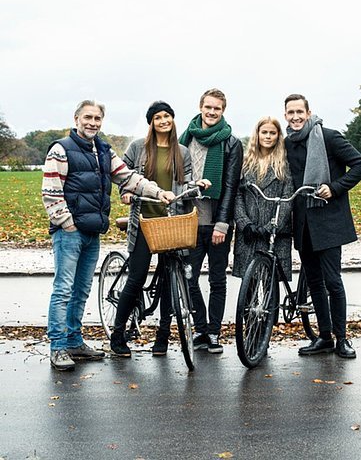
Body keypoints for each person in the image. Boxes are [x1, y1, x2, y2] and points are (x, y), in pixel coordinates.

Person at [42, 100, 171, 371]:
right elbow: (51, 193)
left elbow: (128, 177)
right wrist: (67, 224)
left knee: (81, 290)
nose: (92, 122)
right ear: (76, 118)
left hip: (92, 231)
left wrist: (157, 192)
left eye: (97, 118)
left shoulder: (102, 150)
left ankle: (75, 341)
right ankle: (58, 346)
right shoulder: (61, 149)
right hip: (70, 233)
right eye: (87, 117)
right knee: (63, 290)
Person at [110, 101, 209, 358]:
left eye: (167, 116)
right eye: (158, 117)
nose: (163, 121)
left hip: (171, 222)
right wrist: (126, 194)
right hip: (145, 221)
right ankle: (118, 335)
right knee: (136, 278)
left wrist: (197, 184)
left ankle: (162, 338)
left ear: (173, 119)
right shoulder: (138, 148)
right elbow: (124, 175)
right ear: (151, 122)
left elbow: (185, 180)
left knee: (169, 282)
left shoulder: (182, 151)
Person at [284, 94, 361, 359]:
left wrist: (335, 188)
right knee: (314, 282)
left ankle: (342, 338)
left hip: (329, 221)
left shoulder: (330, 137)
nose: (295, 117)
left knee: (333, 281)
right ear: (285, 115)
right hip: (303, 222)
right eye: (290, 112)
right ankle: (323, 337)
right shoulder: (287, 144)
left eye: (300, 111)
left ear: (309, 113)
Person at [180, 88, 243, 353]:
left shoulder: (231, 143)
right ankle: (201, 329)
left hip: (216, 223)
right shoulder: (184, 139)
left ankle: (215, 332)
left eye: (217, 108)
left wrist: (222, 224)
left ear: (223, 111)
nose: (211, 112)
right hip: (189, 222)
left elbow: (230, 187)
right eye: (208, 107)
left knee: (217, 280)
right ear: (200, 106)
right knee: (189, 279)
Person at [233, 116, 293, 282]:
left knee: (270, 282)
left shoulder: (284, 164)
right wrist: (244, 223)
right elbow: (237, 195)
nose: (268, 136)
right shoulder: (245, 163)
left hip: (274, 232)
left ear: (278, 135)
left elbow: (288, 199)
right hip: (249, 231)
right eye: (264, 132)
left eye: (272, 133)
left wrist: (272, 226)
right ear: (257, 134)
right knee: (248, 283)